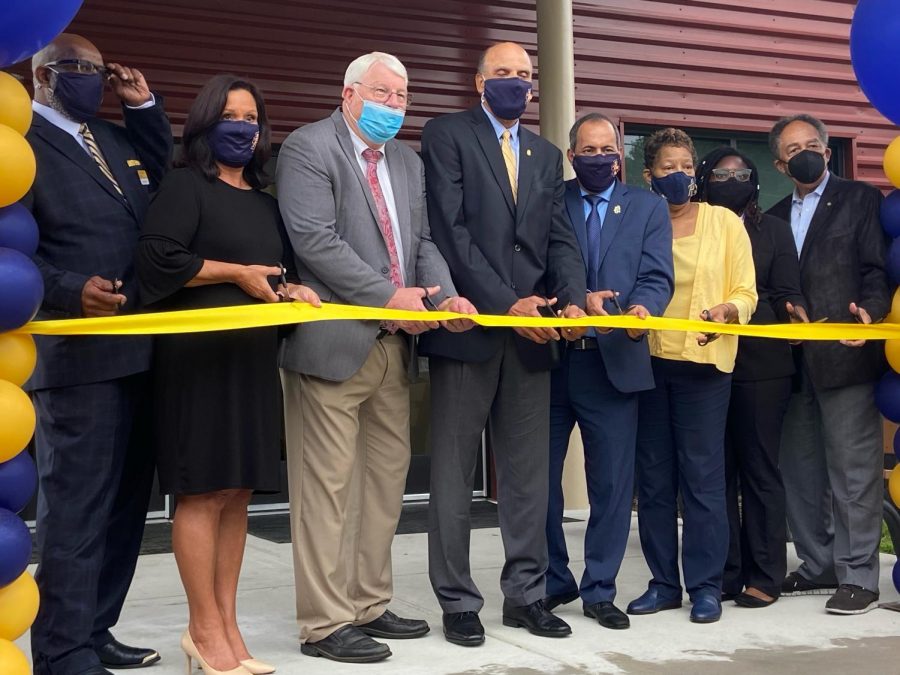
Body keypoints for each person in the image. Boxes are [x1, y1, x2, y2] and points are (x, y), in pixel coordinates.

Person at [276, 51, 476, 664]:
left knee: (385, 486)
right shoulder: (308, 149)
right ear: (348, 94)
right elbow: (315, 241)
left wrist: (444, 294)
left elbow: (419, 243)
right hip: (333, 347)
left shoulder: (407, 162)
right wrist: (389, 295)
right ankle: (323, 621)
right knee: (326, 491)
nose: (394, 105)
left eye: (403, 96)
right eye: (382, 93)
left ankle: (368, 602)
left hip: (395, 347)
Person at [137, 74, 317, 675]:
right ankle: (202, 629)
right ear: (207, 123)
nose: (244, 126)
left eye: (253, 117)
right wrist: (234, 273)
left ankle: (228, 626)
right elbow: (160, 259)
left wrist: (291, 291)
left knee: (238, 493)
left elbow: (272, 274)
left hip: (250, 360)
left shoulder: (265, 202)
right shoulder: (184, 185)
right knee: (203, 489)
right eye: (232, 115)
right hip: (197, 361)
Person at [419, 41, 588, 647]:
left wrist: (569, 297)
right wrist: (504, 304)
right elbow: (449, 228)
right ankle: (458, 600)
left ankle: (527, 594)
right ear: (478, 81)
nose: (516, 83)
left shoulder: (544, 154)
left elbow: (560, 236)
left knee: (527, 476)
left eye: (524, 75)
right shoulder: (447, 135)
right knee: (454, 473)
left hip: (534, 334)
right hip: (470, 329)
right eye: (504, 74)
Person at [24, 34, 171, 675]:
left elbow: (161, 184)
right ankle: (61, 649)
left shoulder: (112, 138)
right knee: (77, 510)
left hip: (139, 350)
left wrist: (142, 109)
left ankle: (97, 628)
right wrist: (65, 292)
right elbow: (12, 253)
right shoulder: (18, 142)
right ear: (43, 76)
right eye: (77, 69)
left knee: (124, 507)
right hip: (76, 356)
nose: (92, 78)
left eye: (98, 69)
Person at [544, 113, 673, 630]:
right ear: (571, 155)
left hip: (616, 362)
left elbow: (656, 275)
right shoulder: (552, 199)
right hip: (551, 362)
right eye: (588, 149)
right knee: (539, 482)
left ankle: (600, 589)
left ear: (620, 155)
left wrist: (643, 310)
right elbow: (537, 266)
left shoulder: (648, 206)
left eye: (607, 149)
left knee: (613, 487)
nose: (599, 157)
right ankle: (553, 579)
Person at [629, 128, 757, 624]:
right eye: (667, 167)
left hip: (705, 366)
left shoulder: (724, 222)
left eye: (686, 166)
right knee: (656, 481)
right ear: (649, 175)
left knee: (703, 480)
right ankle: (663, 584)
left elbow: (746, 289)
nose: (678, 175)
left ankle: (706, 587)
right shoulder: (637, 221)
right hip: (648, 363)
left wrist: (729, 309)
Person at [767, 114, 890, 614]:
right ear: (780, 163)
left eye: (812, 143)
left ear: (826, 148)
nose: (805, 153)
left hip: (846, 356)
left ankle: (859, 574)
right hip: (791, 365)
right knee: (800, 473)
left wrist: (872, 314)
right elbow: (772, 284)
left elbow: (876, 269)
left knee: (853, 472)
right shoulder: (772, 217)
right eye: (793, 148)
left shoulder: (860, 199)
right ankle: (817, 564)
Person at [695, 146, 806, 608]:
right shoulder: (689, 228)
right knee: (714, 475)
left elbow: (786, 293)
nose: (731, 180)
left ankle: (765, 573)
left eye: (741, 174)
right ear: (704, 180)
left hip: (762, 367)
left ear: (756, 184)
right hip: (702, 364)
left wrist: (790, 310)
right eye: (720, 173)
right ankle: (723, 572)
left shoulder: (773, 230)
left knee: (760, 470)